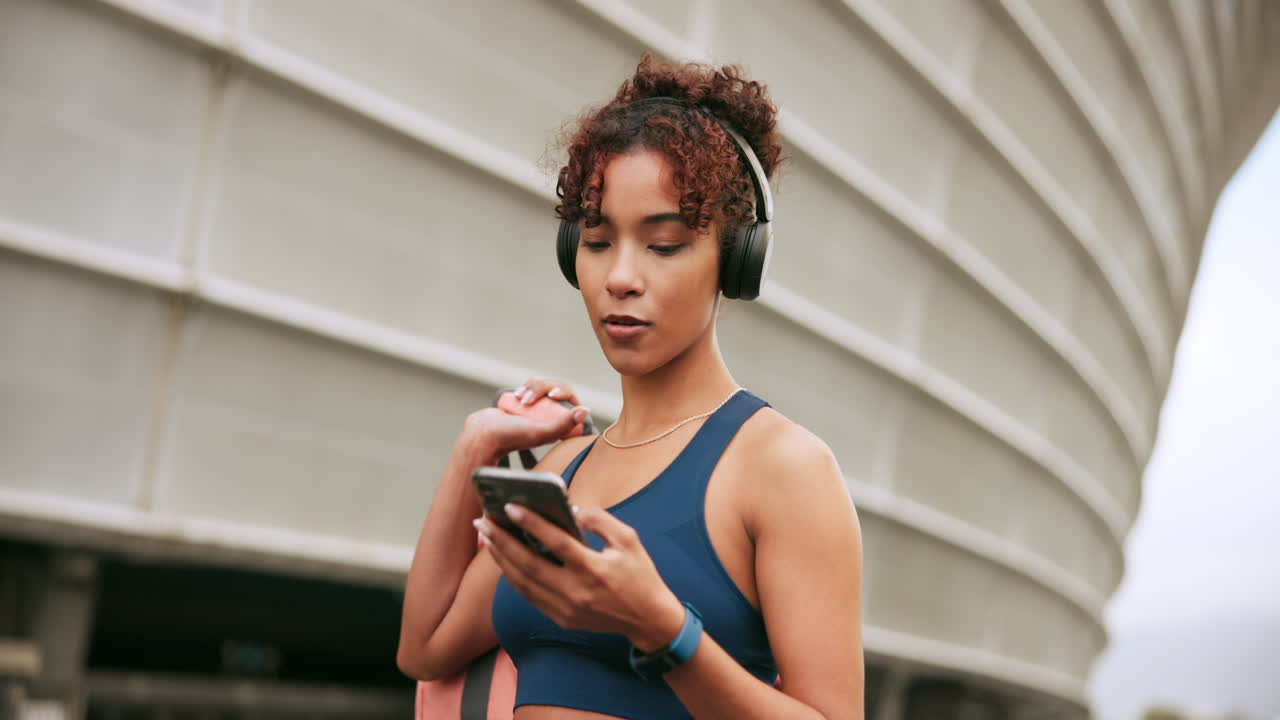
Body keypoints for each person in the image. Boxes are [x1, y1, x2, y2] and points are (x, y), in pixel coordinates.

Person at [397, 55, 864, 720]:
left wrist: (664, 631)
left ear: (734, 259)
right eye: (595, 240)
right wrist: (475, 449)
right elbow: (425, 648)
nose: (620, 276)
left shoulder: (783, 468)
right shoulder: (562, 471)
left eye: (664, 245)